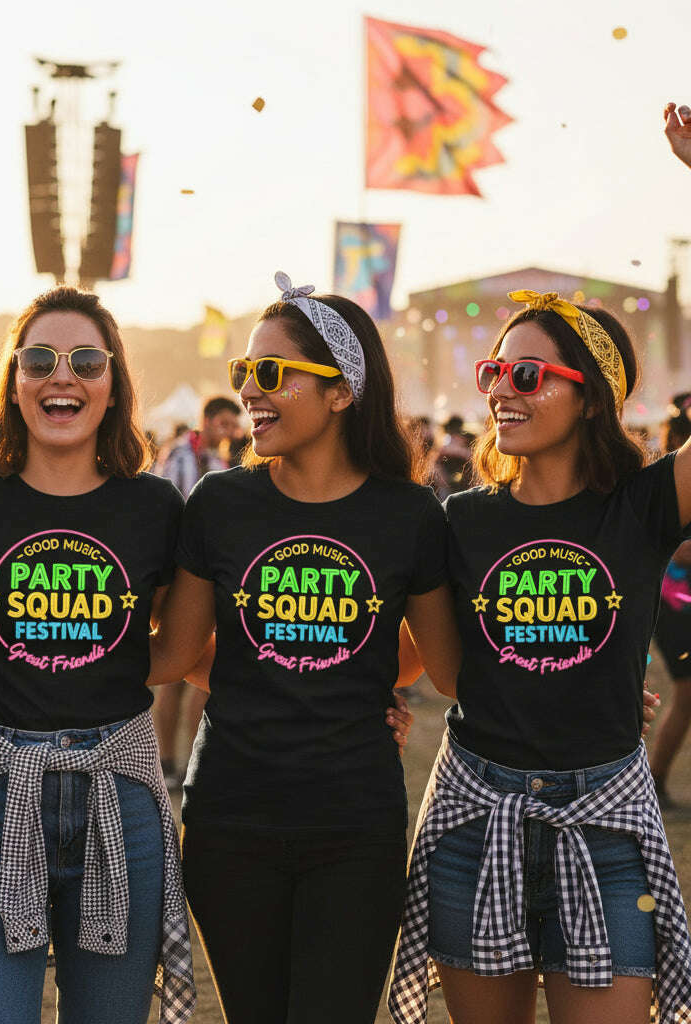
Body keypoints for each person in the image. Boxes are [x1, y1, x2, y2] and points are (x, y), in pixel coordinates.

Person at [146, 272, 458, 1024]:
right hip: (231, 822)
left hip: (356, 827)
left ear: (342, 390)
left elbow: (444, 665)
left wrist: (357, 680)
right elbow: (177, 654)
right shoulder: (222, 503)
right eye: (244, 370)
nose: (249, 390)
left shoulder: (409, 514)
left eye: (271, 371)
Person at [389, 285, 691, 1024]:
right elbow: (428, 663)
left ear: (591, 399)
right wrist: (354, 699)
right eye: (494, 372)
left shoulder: (643, 504)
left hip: (606, 825)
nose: (501, 390)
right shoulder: (461, 520)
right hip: (475, 821)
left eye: (526, 375)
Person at [0, 286, 196, 1024]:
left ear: (113, 384)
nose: (61, 376)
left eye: (86, 362)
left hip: (120, 796)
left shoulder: (155, 507)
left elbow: (177, 651)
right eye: (38, 360)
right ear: (14, 381)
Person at [152, 395, 242, 788]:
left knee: (207, 677)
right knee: (173, 676)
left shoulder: (221, 464)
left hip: (213, 581)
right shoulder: (177, 456)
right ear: (206, 420)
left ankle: (191, 761)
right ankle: (165, 761)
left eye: (232, 426)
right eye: (224, 424)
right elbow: (162, 516)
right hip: (177, 579)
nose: (229, 432)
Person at [650, 403, 691, 807]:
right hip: (675, 603)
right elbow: (675, 550)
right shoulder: (664, 483)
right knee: (687, 693)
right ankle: (656, 779)